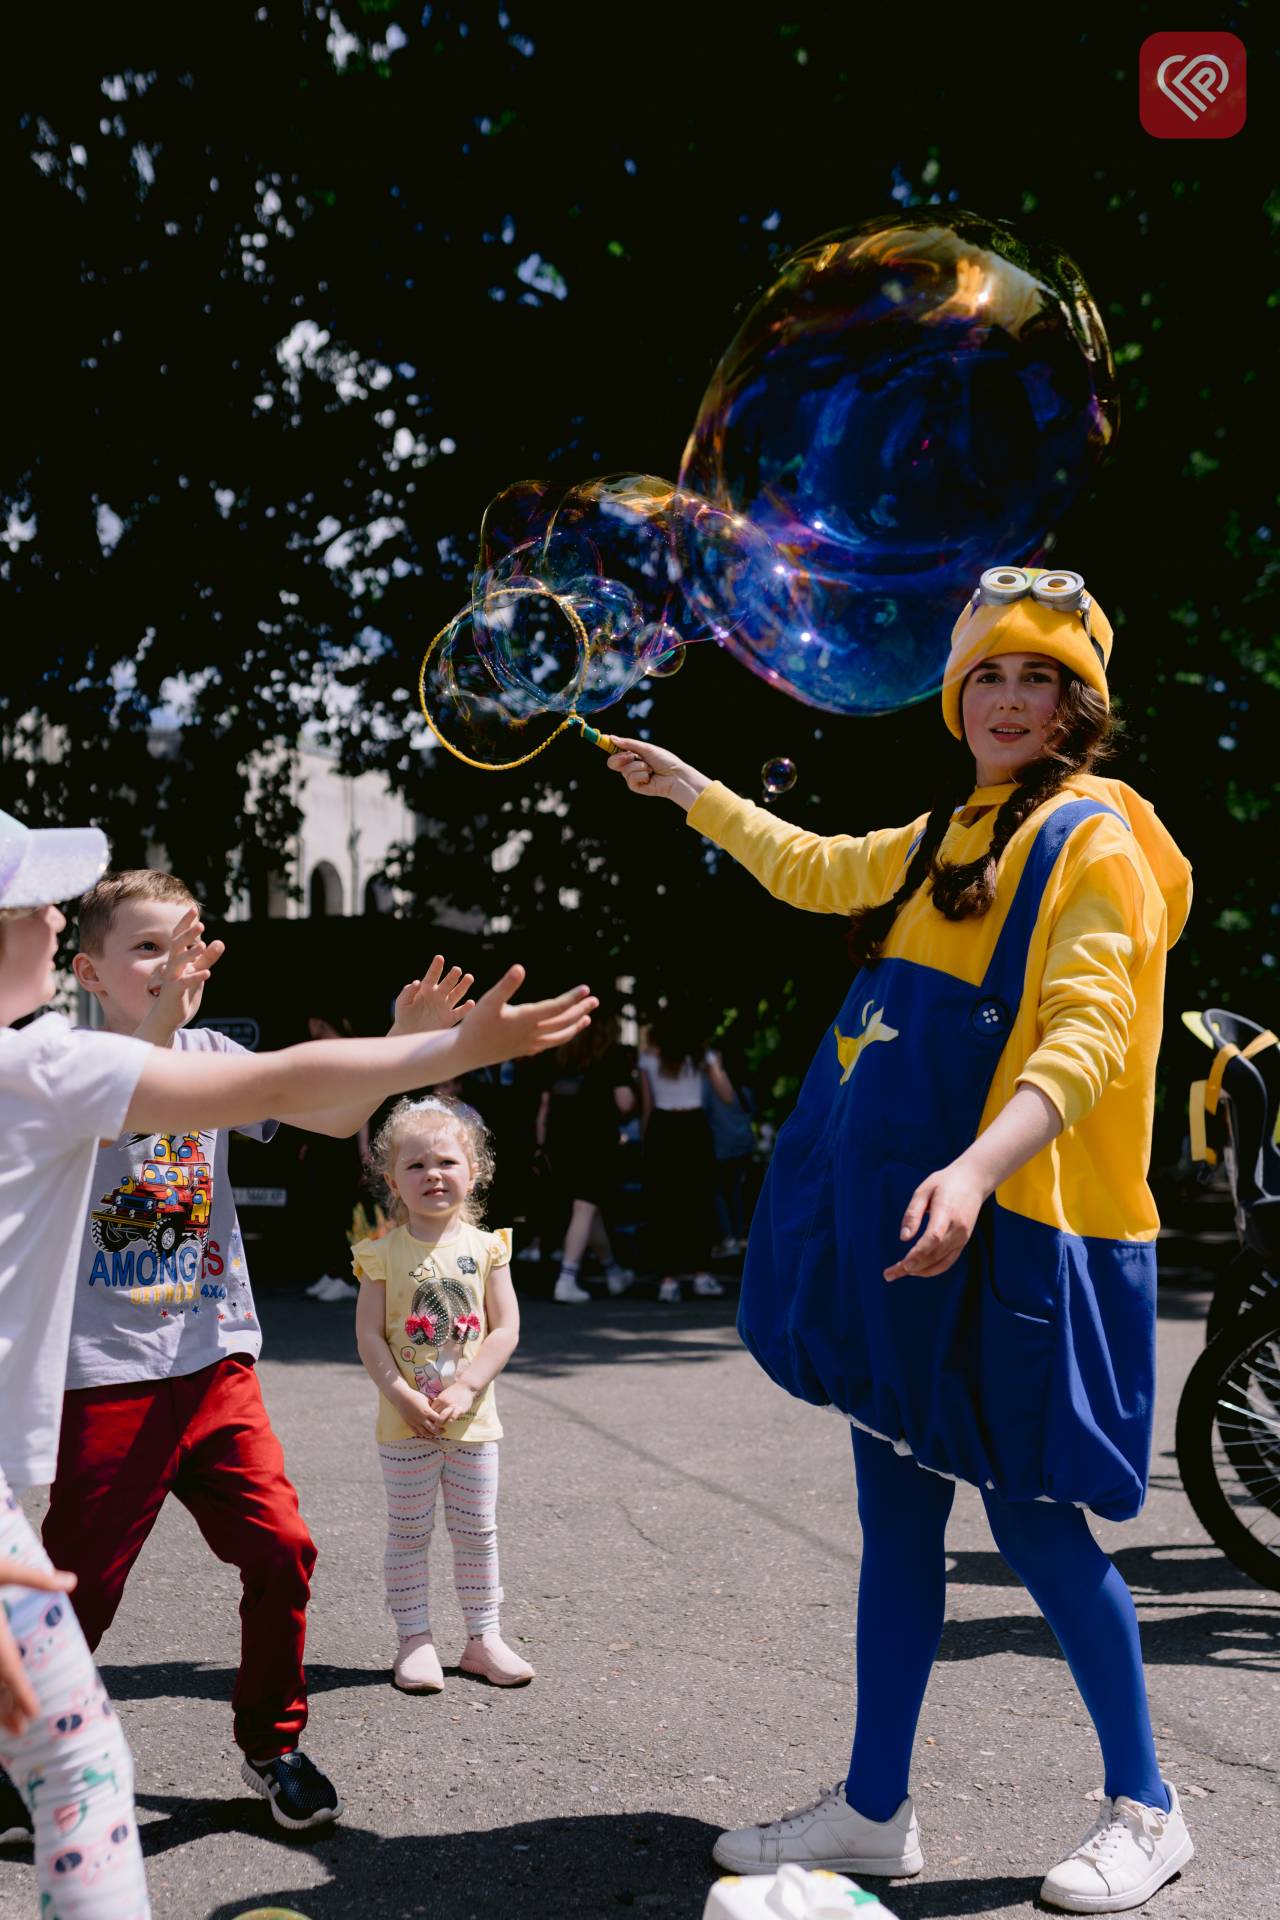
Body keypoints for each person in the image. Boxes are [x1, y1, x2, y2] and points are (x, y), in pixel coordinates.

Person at [606, 567, 1196, 1915]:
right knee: (896, 1522)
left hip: (1025, 1231)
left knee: (1040, 1530)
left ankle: (1149, 1807)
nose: (1005, 696)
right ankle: (876, 1809)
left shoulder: (1097, 839)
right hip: (922, 1225)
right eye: (986, 671)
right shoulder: (955, 827)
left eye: (1037, 675)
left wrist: (979, 1171)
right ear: (956, 693)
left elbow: (1088, 1039)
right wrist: (691, 789)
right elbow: (818, 868)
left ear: (1079, 703)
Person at [0, 822, 593, 1871]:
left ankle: (272, 1746)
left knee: (283, 1550)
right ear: (86, 970)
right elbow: (273, 1086)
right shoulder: (61, 1063)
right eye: (144, 947)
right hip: (105, 1380)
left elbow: (323, 1112)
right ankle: (16, 1750)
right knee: (78, 1591)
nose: (171, 962)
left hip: (212, 1362)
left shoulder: (215, 1055)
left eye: (183, 942)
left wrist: (399, 1045)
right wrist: (429, 1050)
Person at [353, 1094, 532, 1693]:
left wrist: (468, 1385)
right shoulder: (379, 1254)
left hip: (473, 1423)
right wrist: (401, 1394)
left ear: (474, 1171)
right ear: (392, 1181)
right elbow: (370, 1337)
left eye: (448, 1162)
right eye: (416, 1164)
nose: (433, 1174)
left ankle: (484, 1638)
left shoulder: (488, 1249)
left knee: (477, 1531)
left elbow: (504, 1328)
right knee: (408, 1533)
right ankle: (415, 1639)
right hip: (405, 1424)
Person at [535, 1013, 638, 1302]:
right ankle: (567, 1277)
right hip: (596, 1141)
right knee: (585, 1207)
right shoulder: (611, 1057)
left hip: (560, 1142)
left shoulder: (557, 1055)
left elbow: (544, 1105)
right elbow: (625, 1101)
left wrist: (541, 1145)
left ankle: (613, 1272)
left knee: (588, 1210)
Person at [639, 1011, 735, 1303]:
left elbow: (647, 1104)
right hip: (693, 1127)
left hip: (662, 1127)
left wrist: (645, 1141)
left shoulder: (649, 1058)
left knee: (664, 1204)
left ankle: (668, 1280)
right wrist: (714, 1065)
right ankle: (701, 1274)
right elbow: (728, 1097)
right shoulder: (702, 1057)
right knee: (699, 1201)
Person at [702, 1040, 758, 1257]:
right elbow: (752, 1111)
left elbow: (704, 1111)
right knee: (734, 1191)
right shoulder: (742, 1085)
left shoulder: (710, 1086)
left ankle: (728, 1237)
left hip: (720, 1145)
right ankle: (736, 1234)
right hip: (742, 1143)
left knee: (717, 1192)